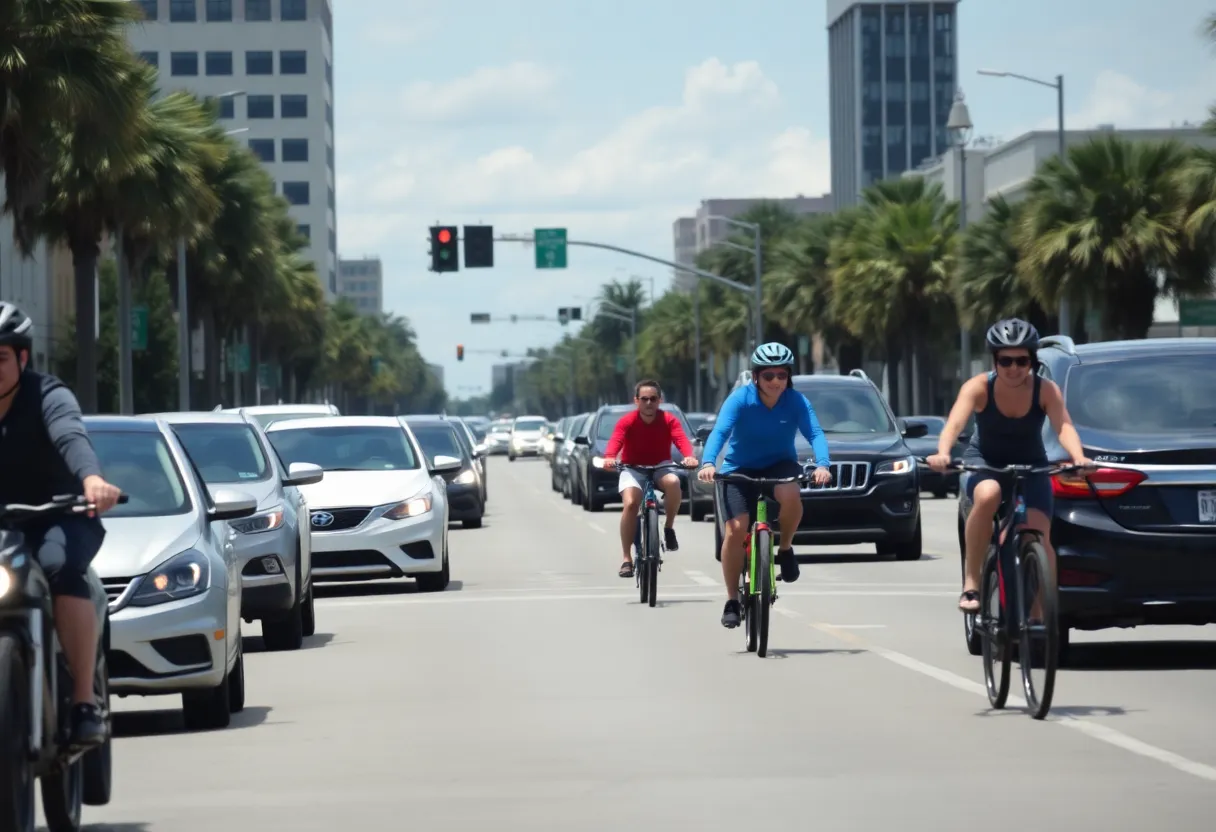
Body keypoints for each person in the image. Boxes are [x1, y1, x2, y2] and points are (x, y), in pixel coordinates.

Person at [0, 302, 122, 749]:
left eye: (1, 358)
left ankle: (84, 701)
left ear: (23, 358)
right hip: (2, 528)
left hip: (59, 515)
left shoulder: (49, 395)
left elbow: (70, 434)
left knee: (61, 568)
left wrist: (92, 481)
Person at [927, 318, 1092, 614]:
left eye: (1021, 360)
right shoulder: (978, 388)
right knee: (988, 494)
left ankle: (1042, 610)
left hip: (1033, 465)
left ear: (1032, 360)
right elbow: (954, 424)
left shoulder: (1045, 390)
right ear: (994, 361)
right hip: (986, 462)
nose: (1014, 368)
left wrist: (1078, 457)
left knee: (1039, 531)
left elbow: (1063, 426)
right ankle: (971, 583)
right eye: (1005, 361)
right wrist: (942, 453)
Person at [697, 343, 832, 629]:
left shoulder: (796, 401)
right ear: (756, 376)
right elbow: (720, 432)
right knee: (736, 529)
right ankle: (732, 600)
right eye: (768, 376)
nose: (775, 382)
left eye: (782, 375)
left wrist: (823, 465)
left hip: (779, 464)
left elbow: (815, 433)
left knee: (791, 493)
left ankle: (784, 549)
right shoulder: (740, 399)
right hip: (739, 469)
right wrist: (708, 463)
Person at [602, 380, 698, 578]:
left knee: (674, 482)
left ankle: (669, 528)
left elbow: (681, 440)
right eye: (644, 399)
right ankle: (627, 558)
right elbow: (616, 440)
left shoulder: (669, 420)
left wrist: (689, 457)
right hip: (633, 468)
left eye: (653, 399)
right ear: (636, 401)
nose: (648, 403)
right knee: (630, 504)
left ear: (659, 400)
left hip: (661, 466)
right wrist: (610, 457)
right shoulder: (627, 421)